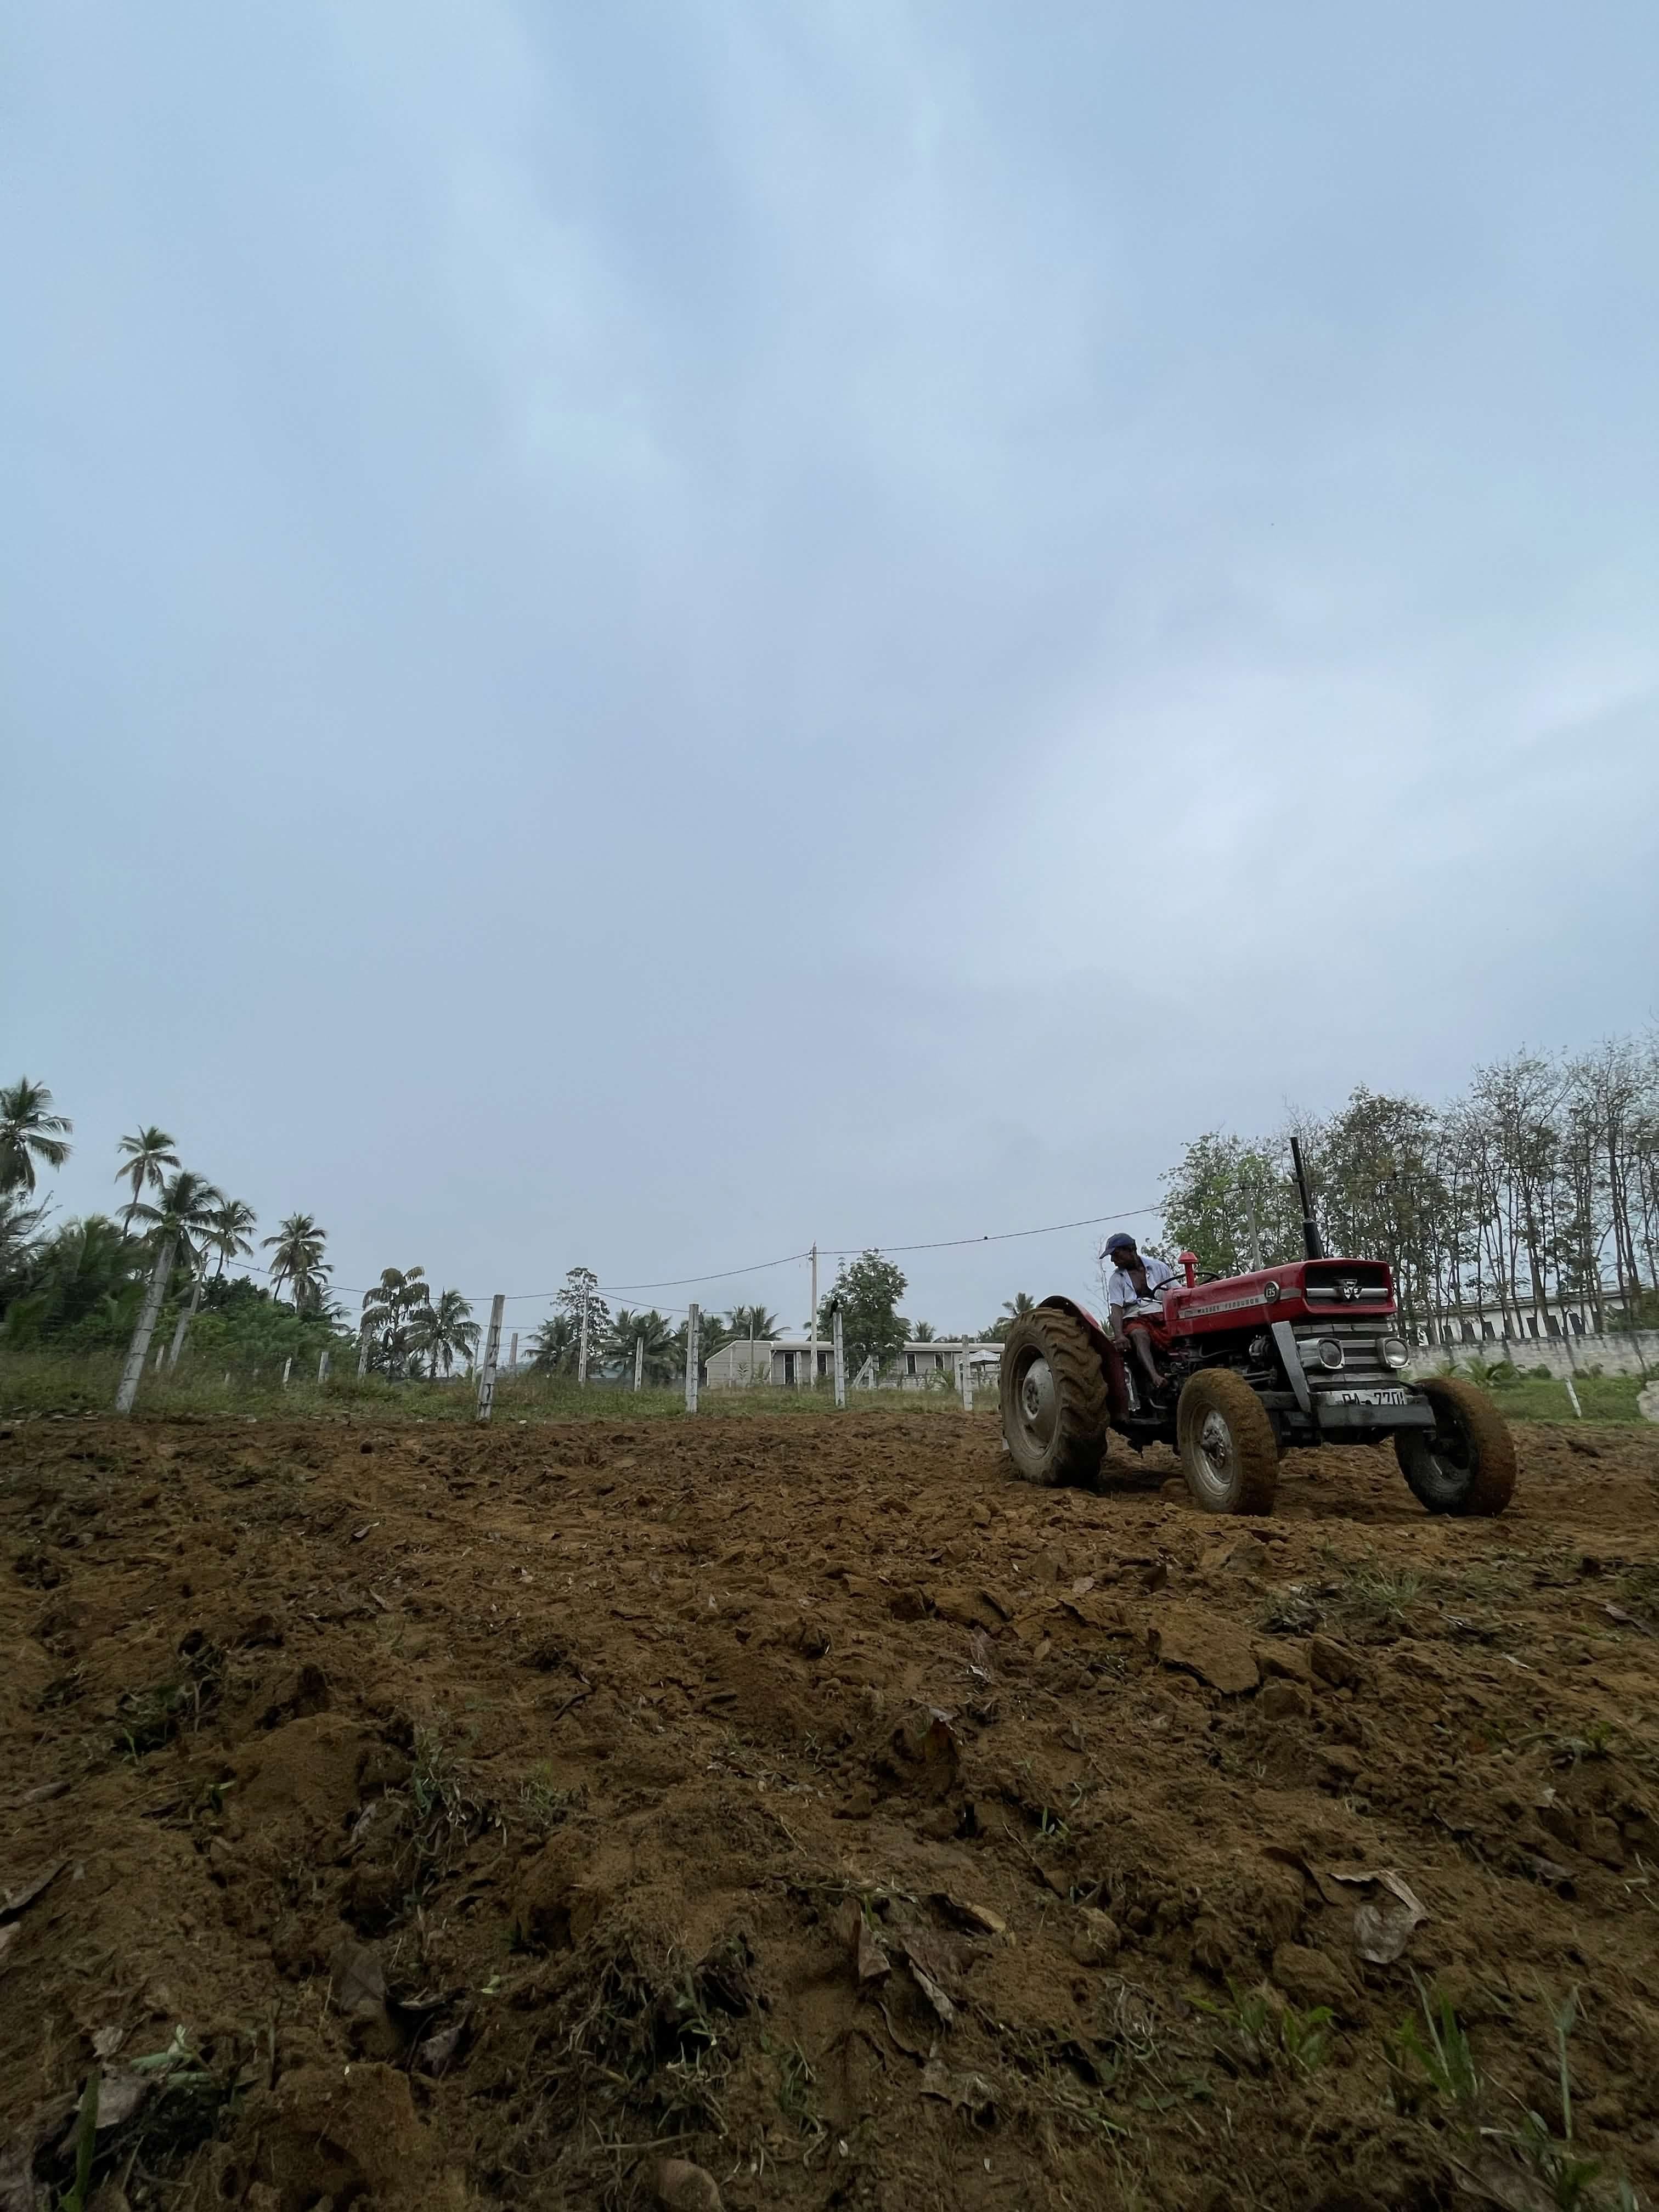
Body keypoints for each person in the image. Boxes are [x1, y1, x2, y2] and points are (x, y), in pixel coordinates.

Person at [1102, 1233, 1177, 1397]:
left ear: (1131, 1250)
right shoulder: (1117, 1279)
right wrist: (1119, 1335)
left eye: (1116, 1255)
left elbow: (1177, 1292)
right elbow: (1116, 1308)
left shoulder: (1159, 1268)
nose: (1113, 1260)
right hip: (1135, 1317)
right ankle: (1155, 1377)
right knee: (1139, 1333)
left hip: (1161, 1315)